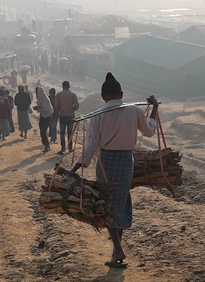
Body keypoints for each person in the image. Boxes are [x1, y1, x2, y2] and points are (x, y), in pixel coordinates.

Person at [71, 72, 159, 269]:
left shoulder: (99, 114)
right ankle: (115, 252)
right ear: (121, 94)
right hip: (126, 161)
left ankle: (118, 249)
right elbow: (149, 130)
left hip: (107, 161)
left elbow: (91, 146)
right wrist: (155, 107)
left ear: (104, 97)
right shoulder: (134, 110)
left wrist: (75, 167)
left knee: (107, 204)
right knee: (119, 201)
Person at [54, 80, 79, 154]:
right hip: (70, 116)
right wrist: (72, 109)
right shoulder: (73, 95)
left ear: (62, 86)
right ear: (69, 86)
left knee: (62, 132)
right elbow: (76, 106)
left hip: (62, 115)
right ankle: (70, 148)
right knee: (70, 132)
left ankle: (63, 148)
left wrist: (61, 109)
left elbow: (56, 106)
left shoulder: (59, 95)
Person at [33, 86, 53, 152]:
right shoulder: (41, 98)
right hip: (43, 116)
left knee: (43, 131)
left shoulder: (45, 99)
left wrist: (38, 108)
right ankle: (46, 145)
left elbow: (46, 110)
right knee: (42, 130)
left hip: (47, 116)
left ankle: (46, 145)